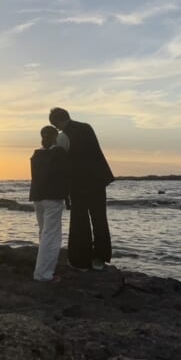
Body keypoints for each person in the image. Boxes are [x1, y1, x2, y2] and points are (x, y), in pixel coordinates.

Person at [48, 106, 114, 271]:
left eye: (56, 126)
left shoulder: (63, 137)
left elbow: (61, 163)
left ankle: (81, 259)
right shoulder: (86, 127)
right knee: (99, 219)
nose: (57, 129)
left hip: (79, 183)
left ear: (57, 122)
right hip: (98, 180)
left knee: (80, 220)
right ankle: (100, 258)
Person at [29, 124, 70, 282]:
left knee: (44, 233)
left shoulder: (36, 154)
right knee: (51, 236)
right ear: (55, 137)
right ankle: (43, 274)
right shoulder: (59, 153)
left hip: (37, 197)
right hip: (52, 198)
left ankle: (43, 269)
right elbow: (65, 175)